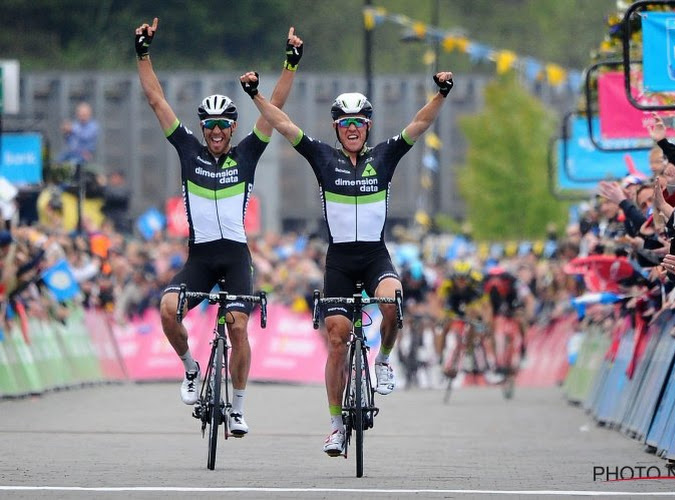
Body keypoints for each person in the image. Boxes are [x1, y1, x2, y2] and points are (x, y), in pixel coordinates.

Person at [240, 69, 453, 455]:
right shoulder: (323, 157)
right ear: (337, 128)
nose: (352, 129)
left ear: (367, 127)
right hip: (339, 260)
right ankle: (336, 425)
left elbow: (419, 124)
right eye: (345, 123)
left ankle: (384, 361)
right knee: (337, 340)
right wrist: (255, 95)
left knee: (392, 302)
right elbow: (285, 125)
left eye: (358, 122)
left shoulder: (384, 156)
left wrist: (441, 93)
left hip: (374, 256)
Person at [134, 18, 303, 436]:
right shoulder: (188, 150)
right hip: (201, 258)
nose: (214, 132)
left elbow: (276, 112)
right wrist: (143, 54)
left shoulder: (246, 154)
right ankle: (192, 369)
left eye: (222, 126)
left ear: (232, 128)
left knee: (238, 325)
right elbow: (157, 101)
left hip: (235, 256)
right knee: (168, 310)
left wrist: (290, 64)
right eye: (208, 126)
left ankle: (240, 407)